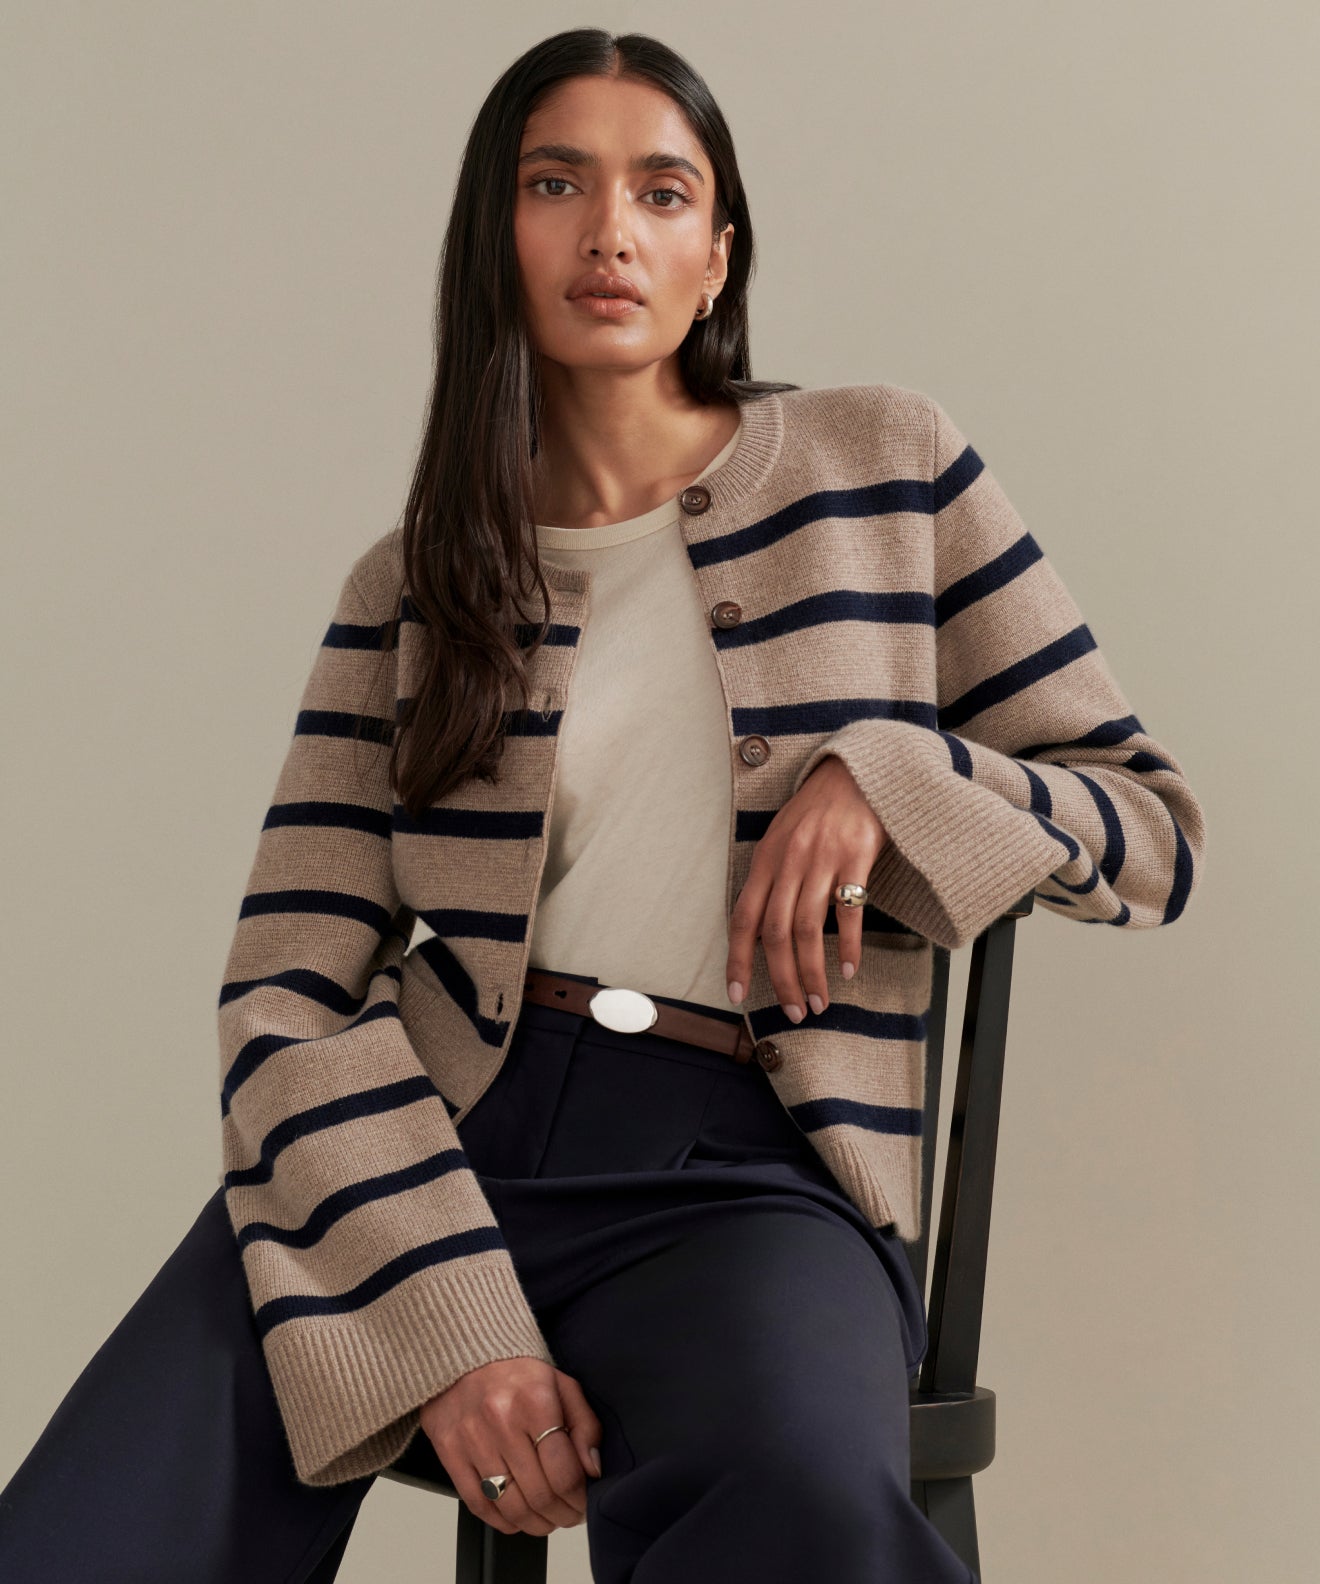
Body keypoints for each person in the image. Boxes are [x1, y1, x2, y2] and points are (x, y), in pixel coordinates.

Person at [0, 26, 1206, 1584]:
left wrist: (891, 779)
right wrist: (447, 1321)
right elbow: (283, 991)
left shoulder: (889, 468)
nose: (608, 231)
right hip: (429, 1141)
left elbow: (1149, 828)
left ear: (718, 254)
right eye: (555, 183)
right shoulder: (416, 585)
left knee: (814, 1511)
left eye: (661, 189)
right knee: (88, 1535)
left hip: (745, 1167)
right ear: (493, 244)